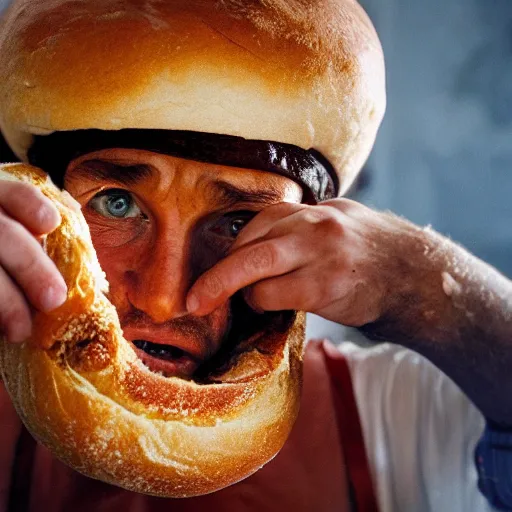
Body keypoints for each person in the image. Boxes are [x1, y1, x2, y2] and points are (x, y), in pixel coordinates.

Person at [0, 1, 511, 511]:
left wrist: (416, 279)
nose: (163, 298)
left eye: (237, 223)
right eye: (118, 203)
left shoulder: (394, 413)